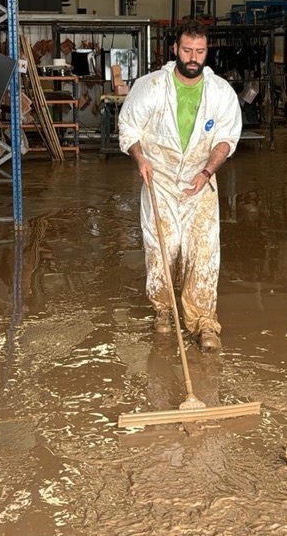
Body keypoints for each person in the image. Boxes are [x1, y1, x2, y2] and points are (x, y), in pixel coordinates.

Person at [118, 19, 243, 352]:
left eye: (199, 51)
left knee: (203, 252)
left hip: (200, 182)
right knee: (162, 249)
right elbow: (129, 128)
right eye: (187, 50)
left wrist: (206, 172)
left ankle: (204, 323)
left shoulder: (220, 92)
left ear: (206, 51)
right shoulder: (151, 87)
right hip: (158, 180)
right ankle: (163, 310)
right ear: (174, 49)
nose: (193, 57)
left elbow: (226, 139)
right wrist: (140, 159)